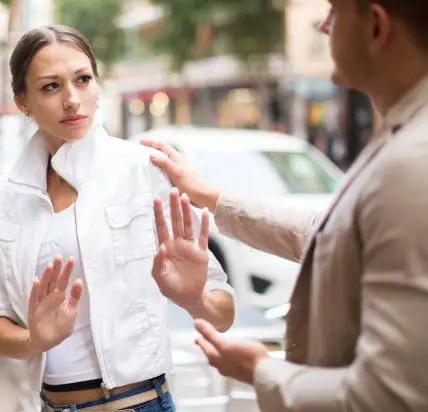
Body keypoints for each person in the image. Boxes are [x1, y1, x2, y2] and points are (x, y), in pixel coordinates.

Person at [143, 1, 428, 411]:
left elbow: (388, 395)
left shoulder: (410, 162)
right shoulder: (402, 139)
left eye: (334, 10)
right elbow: (328, 232)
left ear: (377, 27)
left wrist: (262, 370)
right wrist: (210, 198)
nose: (323, 26)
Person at [0, 25, 235, 412]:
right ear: (23, 101)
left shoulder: (141, 168)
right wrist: (35, 340)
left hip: (136, 403)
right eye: (51, 87)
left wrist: (193, 297)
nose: (72, 99)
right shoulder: (8, 192)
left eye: (83, 80)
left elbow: (222, 313)